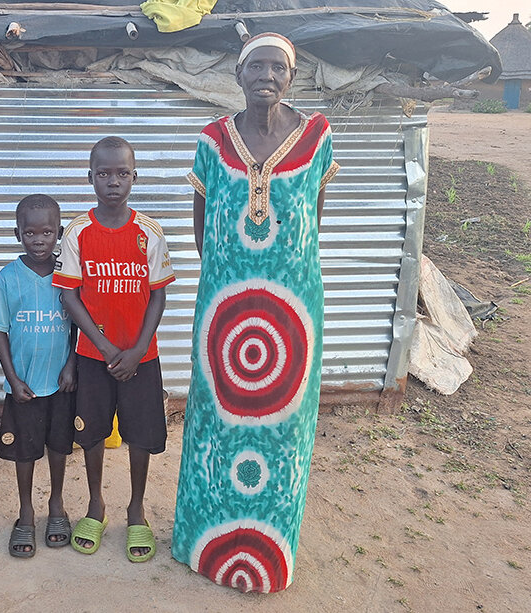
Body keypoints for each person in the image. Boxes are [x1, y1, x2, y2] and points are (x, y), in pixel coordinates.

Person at [172, 33, 340, 592]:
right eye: (255, 66)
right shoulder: (212, 139)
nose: (266, 75)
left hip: (293, 308)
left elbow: (313, 216)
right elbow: (202, 221)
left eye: (277, 67)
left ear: (291, 76)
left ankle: (269, 556)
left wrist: (280, 269)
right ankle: (205, 546)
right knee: (214, 420)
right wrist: (228, 271)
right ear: (238, 75)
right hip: (224, 306)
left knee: (284, 426)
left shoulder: (316, 136)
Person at [53, 137, 175, 562]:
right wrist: (105, 348)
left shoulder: (150, 232)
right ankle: (95, 504)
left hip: (141, 356)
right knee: (92, 434)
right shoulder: (76, 232)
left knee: (140, 436)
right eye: (103, 173)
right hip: (93, 356)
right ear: (90, 178)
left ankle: (137, 510)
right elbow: (70, 297)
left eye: (122, 173)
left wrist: (139, 347)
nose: (113, 182)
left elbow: (157, 296)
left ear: (134, 177)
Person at [0, 194, 78, 558]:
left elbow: (77, 327)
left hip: (61, 385)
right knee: (24, 451)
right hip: (23, 387)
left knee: (57, 447)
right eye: (30, 233)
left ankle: (56, 505)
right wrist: (12, 376)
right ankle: (25, 513)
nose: (39, 240)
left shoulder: (69, 275)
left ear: (59, 233)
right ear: (17, 232)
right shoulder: (8, 278)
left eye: (47, 232)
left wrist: (71, 366)